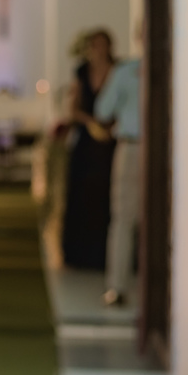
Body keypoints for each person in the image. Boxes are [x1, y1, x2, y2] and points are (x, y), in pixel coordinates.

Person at [62, 29, 116, 270]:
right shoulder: (81, 72)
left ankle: (107, 253)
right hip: (86, 137)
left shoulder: (118, 69)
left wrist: (109, 126)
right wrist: (89, 122)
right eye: (95, 45)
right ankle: (80, 253)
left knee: (107, 193)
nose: (99, 49)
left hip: (110, 137)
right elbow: (72, 108)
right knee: (82, 193)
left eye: (103, 44)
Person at [95, 43, 142, 307]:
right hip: (167, 150)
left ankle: (117, 287)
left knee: (123, 218)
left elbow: (103, 110)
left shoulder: (127, 71)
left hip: (133, 147)